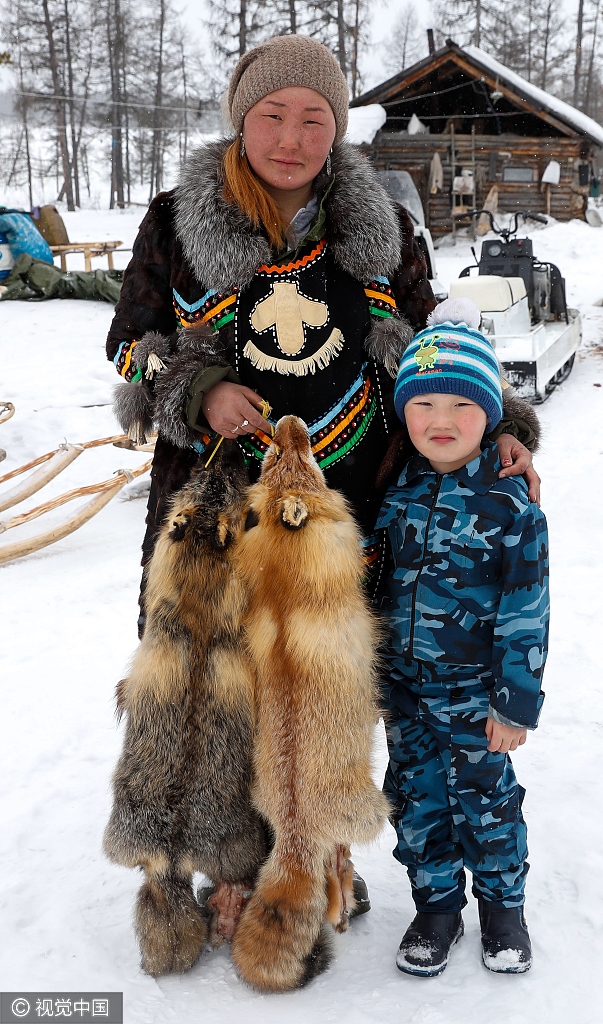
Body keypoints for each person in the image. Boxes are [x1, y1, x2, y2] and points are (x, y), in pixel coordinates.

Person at [105, 35, 542, 918]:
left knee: (326, 687)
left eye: (314, 118)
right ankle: (231, 868)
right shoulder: (173, 219)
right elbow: (128, 350)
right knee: (221, 685)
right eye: (273, 114)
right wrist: (198, 390)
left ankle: (317, 864)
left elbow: (438, 347)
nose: (292, 136)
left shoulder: (379, 223)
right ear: (242, 118)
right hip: (217, 504)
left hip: (354, 509)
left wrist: (504, 425)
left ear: (336, 128)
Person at [375, 299, 549, 977]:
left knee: (486, 799)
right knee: (414, 799)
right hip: (404, 689)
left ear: (491, 415)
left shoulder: (510, 504)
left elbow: (525, 610)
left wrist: (513, 704)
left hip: (477, 694)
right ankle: (436, 906)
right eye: (423, 406)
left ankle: (503, 907)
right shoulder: (394, 491)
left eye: (461, 406)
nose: (440, 422)